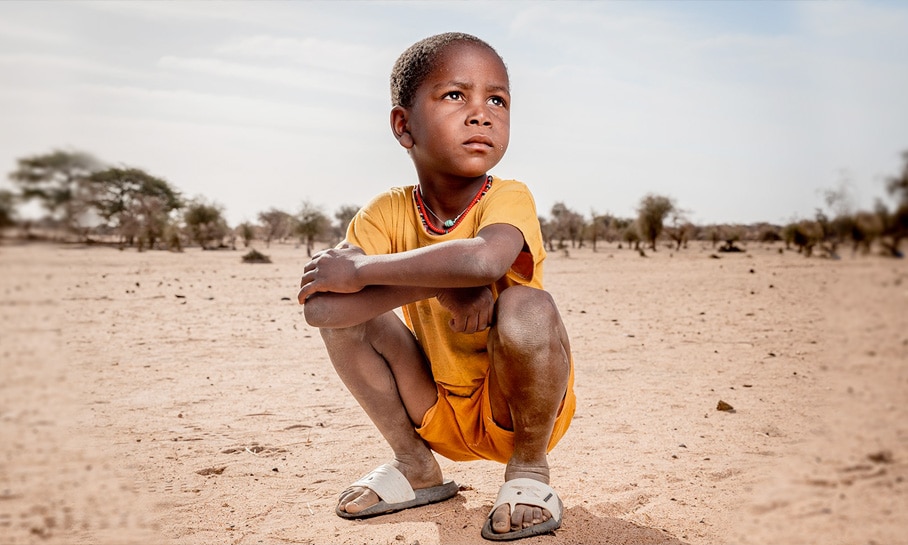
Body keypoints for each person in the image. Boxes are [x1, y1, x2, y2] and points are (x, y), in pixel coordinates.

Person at [297, 32, 576, 542]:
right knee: (350, 320)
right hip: (433, 402)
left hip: (516, 407)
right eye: (455, 95)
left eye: (497, 99)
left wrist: (362, 273)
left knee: (525, 305)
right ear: (404, 126)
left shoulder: (508, 196)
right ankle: (415, 465)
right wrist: (442, 286)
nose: (481, 114)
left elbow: (484, 258)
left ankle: (530, 473)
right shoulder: (384, 213)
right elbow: (322, 311)